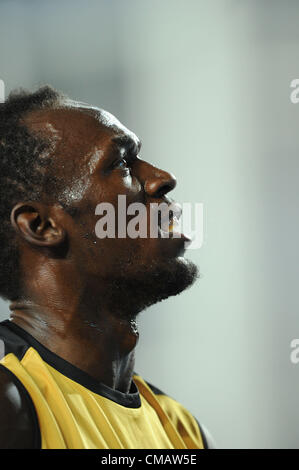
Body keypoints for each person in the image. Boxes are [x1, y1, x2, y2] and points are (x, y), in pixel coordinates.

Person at [0, 86, 214, 449]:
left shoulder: (183, 429)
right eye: (120, 163)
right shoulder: (10, 409)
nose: (162, 177)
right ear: (42, 226)